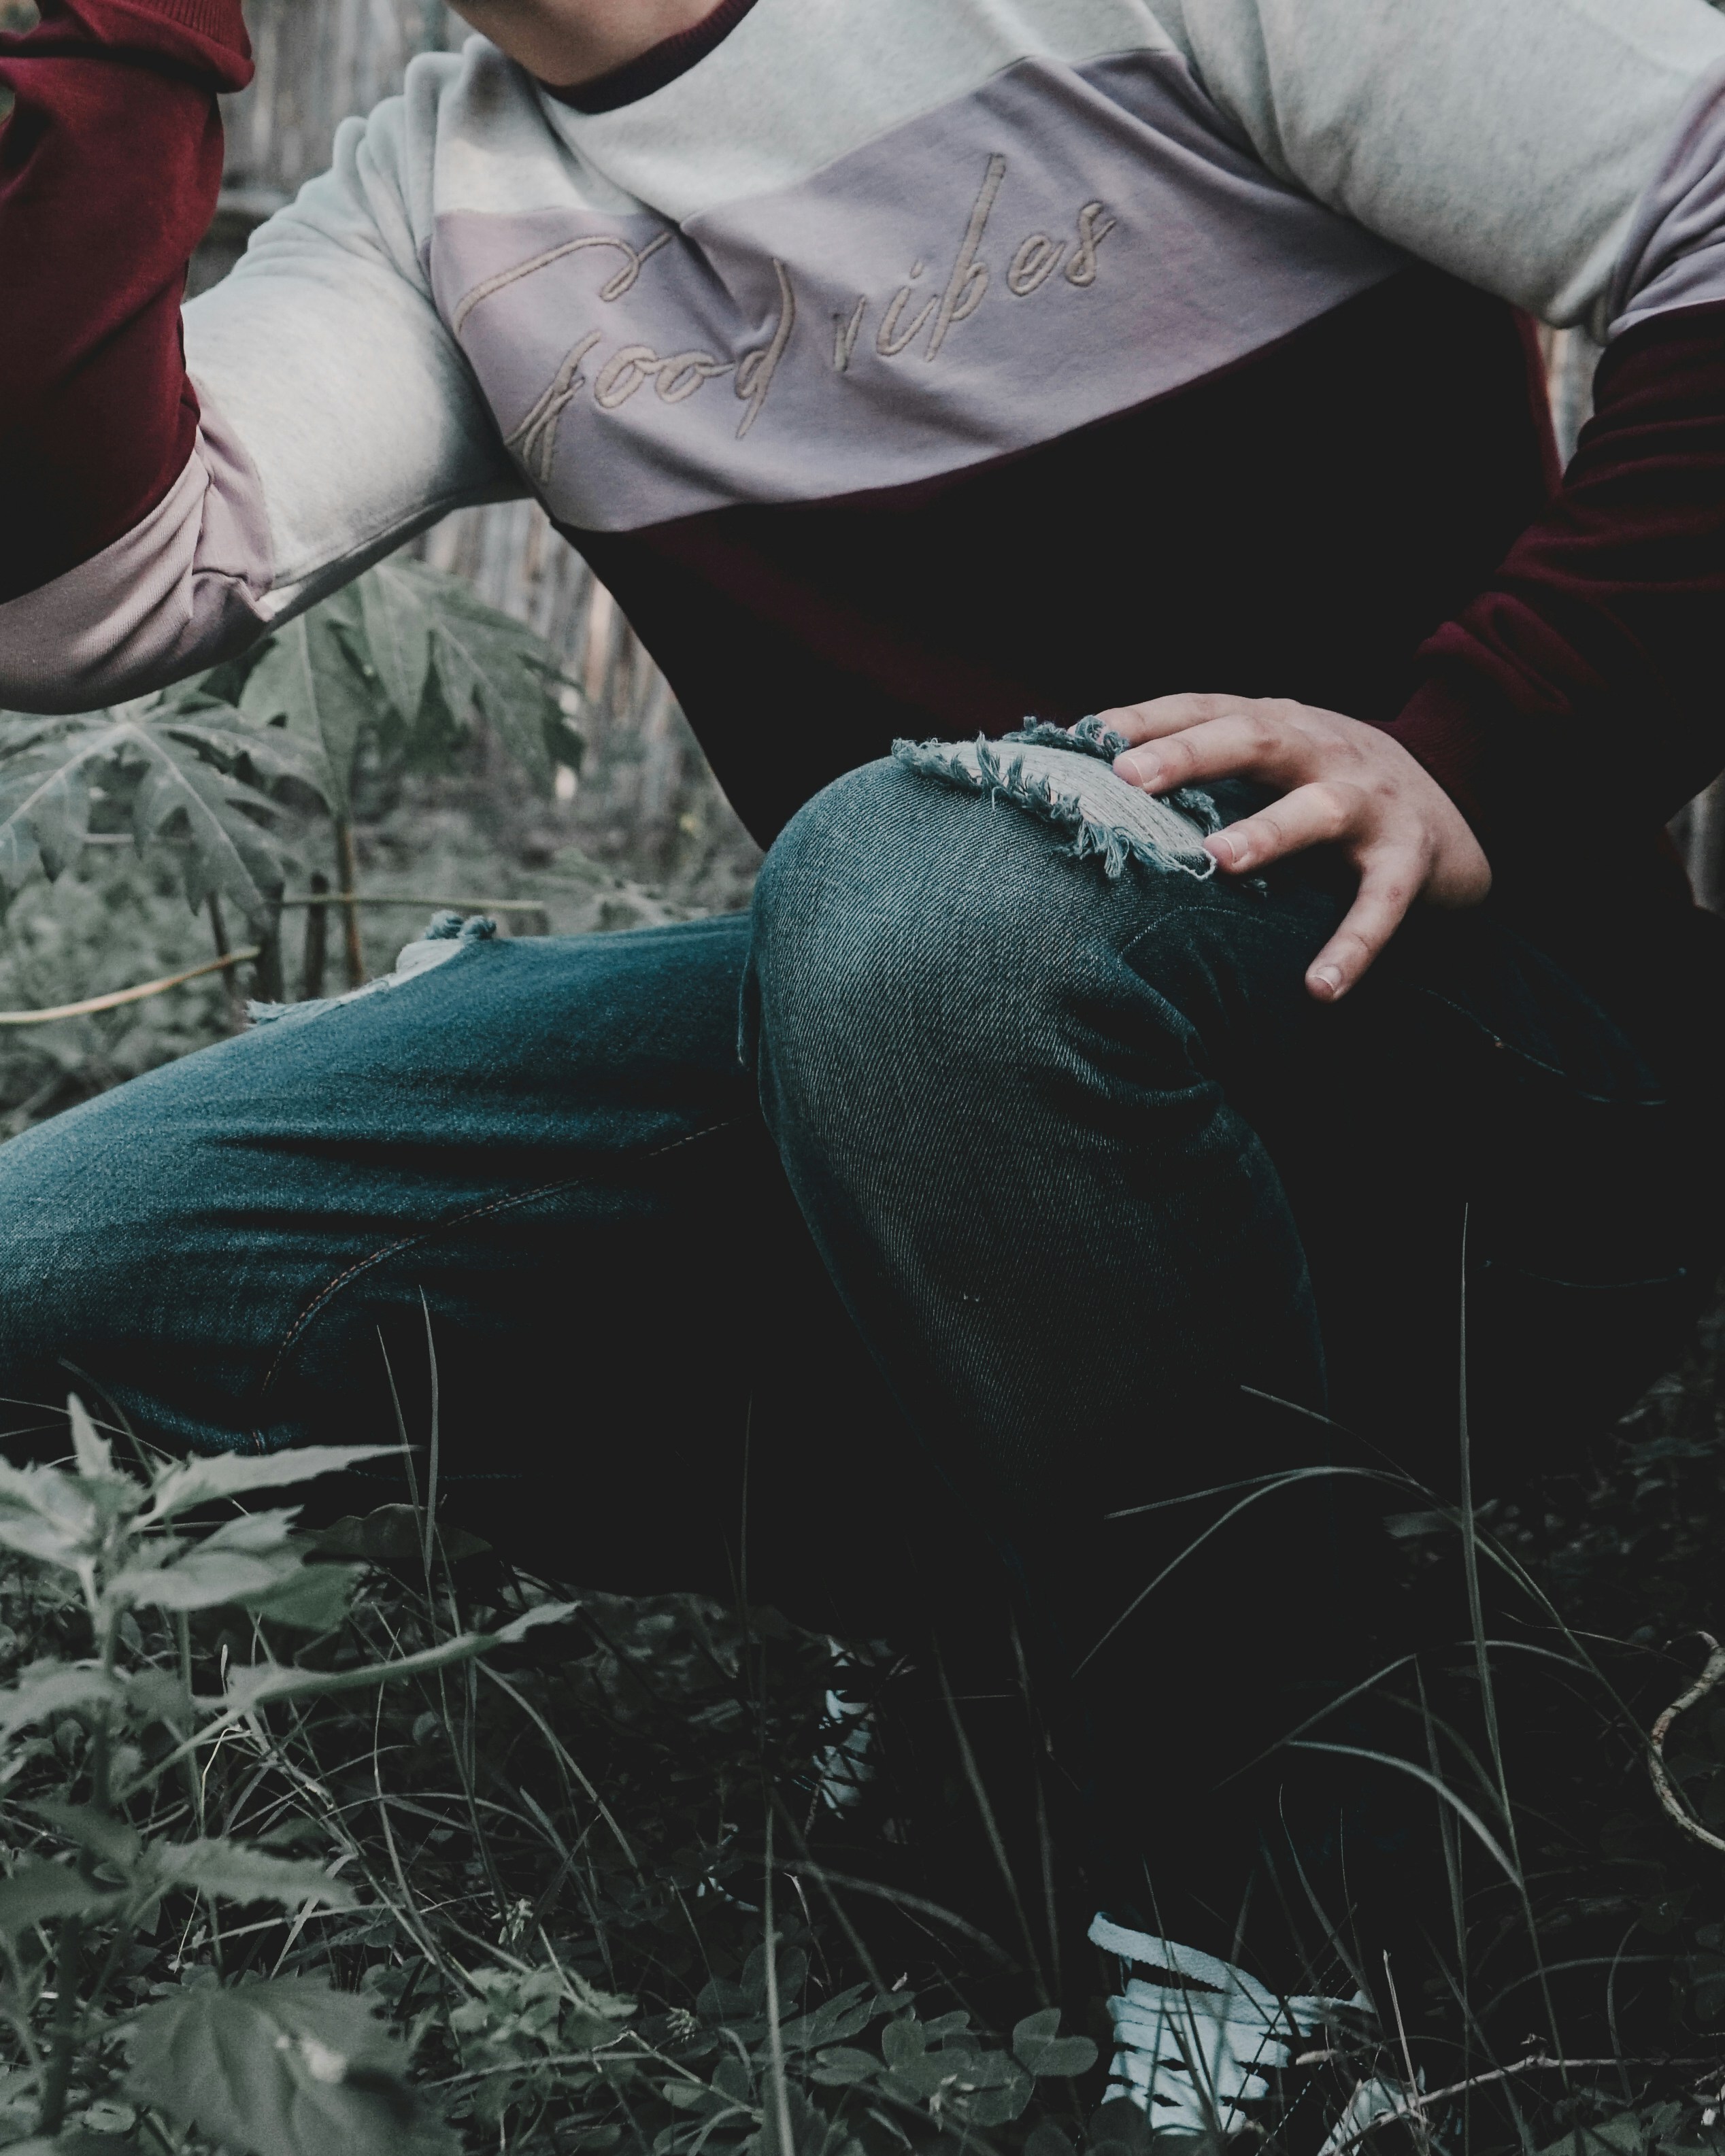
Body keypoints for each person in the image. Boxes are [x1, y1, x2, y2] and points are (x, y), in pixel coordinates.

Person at [4, 0, 1725, 2121]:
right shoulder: (450, 202)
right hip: (928, 1058)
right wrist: (107, 41)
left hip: (1496, 1095)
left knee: (915, 891)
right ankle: (964, 1587)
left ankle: (1291, 1913)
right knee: (70, 1245)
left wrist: (1503, 742)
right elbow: (84, 595)